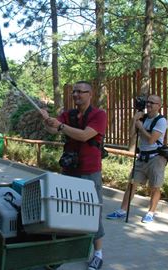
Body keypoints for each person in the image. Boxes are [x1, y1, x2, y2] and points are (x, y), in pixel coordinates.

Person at [41, 81, 107, 270]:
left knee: (93, 211)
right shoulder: (68, 115)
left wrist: (60, 126)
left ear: (90, 94)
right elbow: (53, 129)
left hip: (89, 171)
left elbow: (85, 136)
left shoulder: (98, 115)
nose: (76, 94)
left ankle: (98, 253)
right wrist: (46, 120)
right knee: (65, 210)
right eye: (74, 92)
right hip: (69, 170)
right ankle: (65, 252)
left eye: (81, 91)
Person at [106, 94, 168, 223]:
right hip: (142, 157)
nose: (149, 104)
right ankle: (122, 210)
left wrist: (141, 127)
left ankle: (151, 213)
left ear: (159, 106)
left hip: (156, 158)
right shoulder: (143, 118)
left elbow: (151, 140)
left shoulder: (161, 120)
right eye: (148, 102)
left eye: (152, 103)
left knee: (155, 187)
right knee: (131, 184)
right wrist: (134, 120)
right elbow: (131, 134)